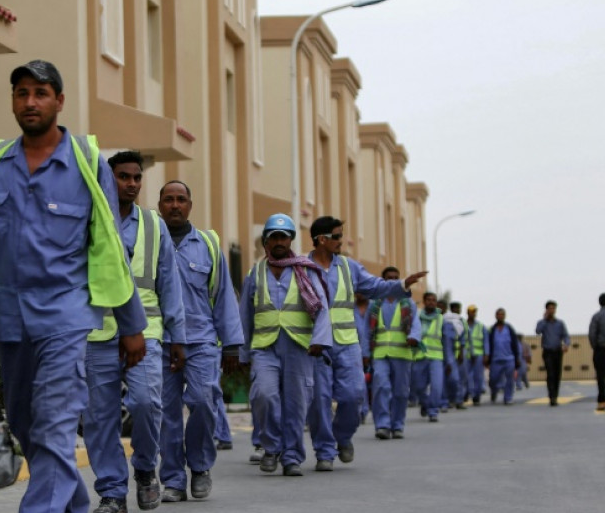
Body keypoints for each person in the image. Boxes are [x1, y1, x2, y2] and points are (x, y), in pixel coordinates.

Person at [0, 59, 148, 513]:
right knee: (27, 424)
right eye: (21, 93)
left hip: (65, 318)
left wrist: (130, 325)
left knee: (53, 424)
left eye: (41, 93)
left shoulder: (87, 165)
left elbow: (110, 245)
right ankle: (74, 503)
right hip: (9, 319)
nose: (30, 102)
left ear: (59, 101)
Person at [83, 151, 186, 513]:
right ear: (109, 178)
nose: (131, 184)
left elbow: (169, 285)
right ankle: (112, 492)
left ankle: (144, 469)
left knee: (145, 402)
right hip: (97, 331)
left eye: (136, 178)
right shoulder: (91, 217)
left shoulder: (154, 224)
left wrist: (178, 337)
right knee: (99, 418)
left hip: (146, 331)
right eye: (123, 177)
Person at [305, 216, 424, 469]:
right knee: (319, 399)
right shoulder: (302, 267)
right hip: (315, 344)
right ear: (321, 239)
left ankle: (342, 437)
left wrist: (402, 284)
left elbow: (375, 287)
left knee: (354, 395)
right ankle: (324, 451)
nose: (341, 240)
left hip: (347, 343)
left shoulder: (350, 267)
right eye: (337, 236)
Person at [157, 180, 242, 501]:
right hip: (161, 341)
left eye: (181, 199)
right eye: (168, 200)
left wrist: (232, 344)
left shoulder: (207, 245)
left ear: (190, 205)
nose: (175, 205)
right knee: (165, 412)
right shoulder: (150, 242)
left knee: (205, 403)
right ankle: (174, 480)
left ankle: (201, 467)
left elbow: (223, 297)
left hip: (202, 341)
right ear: (160, 204)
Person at [239, 214, 331, 477]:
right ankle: (271, 447)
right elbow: (244, 316)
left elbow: (322, 308)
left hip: (299, 346)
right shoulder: (254, 273)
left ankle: (291, 457)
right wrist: (242, 353)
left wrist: (320, 341)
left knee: (296, 403)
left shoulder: (306, 271)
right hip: (264, 347)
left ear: (290, 239)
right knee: (264, 396)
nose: (279, 241)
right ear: (266, 241)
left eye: (284, 236)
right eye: (274, 237)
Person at [369, 267, 422, 440]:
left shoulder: (408, 303)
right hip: (380, 353)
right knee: (381, 387)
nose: (392, 281)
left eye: (395, 278)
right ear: (382, 281)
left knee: (400, 392)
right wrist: (363, 352)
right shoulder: (375, 303)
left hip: (402, 353)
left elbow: (416, 324)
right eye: (388, 278)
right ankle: (383, 425)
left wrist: (414, 336)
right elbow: (365, 329)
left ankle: (397, 424)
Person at [411, 292, 456, 423]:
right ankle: (425, 404)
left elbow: (447, 343)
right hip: (419, 357)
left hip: (436, 357)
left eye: (434, 300)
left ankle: (433, 411)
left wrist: (449, 362)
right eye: (429, 300)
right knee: (418, 387)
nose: (431, 302)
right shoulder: (417, 317)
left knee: (437, 386)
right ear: (424, 302)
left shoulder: (442, 320)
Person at [535, 300, 570, 406]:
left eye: (553, 308)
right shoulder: (542, 322)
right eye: (549, 308)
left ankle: (555, 395)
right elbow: (537, 331)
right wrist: (545, 320)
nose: (551, 310)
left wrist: (566, 344)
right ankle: (552, 397)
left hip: (558, 351)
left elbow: (565, 335)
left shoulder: (560, 323)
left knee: (557, 374)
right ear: (546, 310)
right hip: (547, 351)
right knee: (550, 374)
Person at [484, 308, 521, 405]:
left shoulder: (509, 329)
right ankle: (494, 391)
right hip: (496, 359)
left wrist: (517, 358)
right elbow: (488, 343)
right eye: (498, 314)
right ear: (496, 316)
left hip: (509, 359)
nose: (500, 316)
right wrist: (487, 357)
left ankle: (508, 398)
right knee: (493, 379)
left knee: (510, 379)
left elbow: (515, 344)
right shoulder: (492, 330)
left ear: (504, 316)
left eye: (502, 314)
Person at [464, 305, 488, 405]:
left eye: (474, 312)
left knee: (478, 376)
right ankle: (465, 393)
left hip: (478, 355)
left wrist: (486, 354)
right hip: (466, 354)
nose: (472, 314)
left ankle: (476, 396)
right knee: (465, 376)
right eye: (470, 312)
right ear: (467, 313)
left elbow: (486, 341)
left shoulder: (481, 326)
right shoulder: (463, 325)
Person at [355, 292, 372, 425]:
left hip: (375, 350)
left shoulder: (375, 308)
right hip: (353, 351)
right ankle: (362, 410)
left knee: (379, 384)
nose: (361, 294)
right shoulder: (349, 308)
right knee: (360, 383)